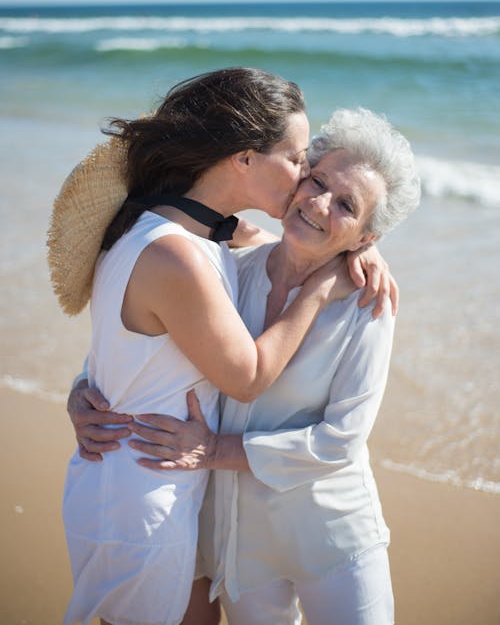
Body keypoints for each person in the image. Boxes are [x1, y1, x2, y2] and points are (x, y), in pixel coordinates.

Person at [52, 69, 395, 625]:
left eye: (342, 202)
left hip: (174, 491)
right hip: (144, 494)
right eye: (299, 160)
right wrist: (321, 287)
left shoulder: (203, 239)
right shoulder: (184, 256)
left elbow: (144, 341)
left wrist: (358, 247)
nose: (306, 178)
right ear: (243, 159)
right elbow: (244, 374)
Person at [124, 108, 421, 625]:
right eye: (318, 181)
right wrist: (85, 387)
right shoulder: (227, 272)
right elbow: (152, 343)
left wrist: (216, 449)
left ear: (365, 240)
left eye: (347, 206)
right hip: (240, 542)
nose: (319, 204)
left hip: (331, 532)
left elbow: (341, 440)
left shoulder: (366, 304)